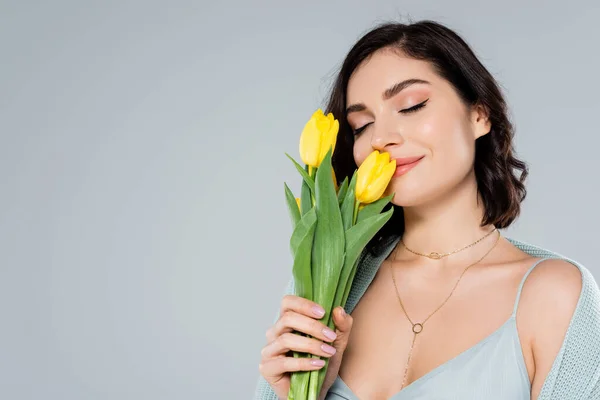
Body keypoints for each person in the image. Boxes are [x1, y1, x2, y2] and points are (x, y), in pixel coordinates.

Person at [254, 20, 600, 400]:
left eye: (411, 106)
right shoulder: (329, 282)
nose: (382, 138)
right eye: (362, 125)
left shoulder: (552, 295)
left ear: (479, 115)